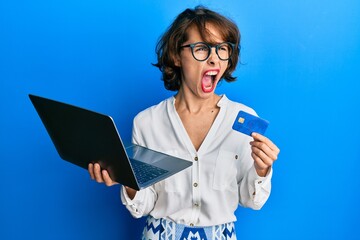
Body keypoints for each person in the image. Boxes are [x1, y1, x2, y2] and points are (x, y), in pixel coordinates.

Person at [88, 6, 280, 240]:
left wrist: (262, 170)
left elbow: (252, 200)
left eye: (222, 49)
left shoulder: (243, 119)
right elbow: (144, 205)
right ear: (177, 56)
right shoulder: (147, 122)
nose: (213, 59)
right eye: (201, 49)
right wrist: (126, 180)